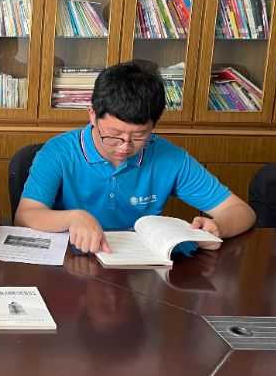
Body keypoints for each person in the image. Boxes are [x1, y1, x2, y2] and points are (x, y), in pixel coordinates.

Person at [15, 62, 256, 254]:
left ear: (154, 125)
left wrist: (218, 226)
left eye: (139, 136)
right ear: (92, 115)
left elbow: (240, 211)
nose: (125, 147)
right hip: (74, 264)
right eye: (113, 135)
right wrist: (73, 217)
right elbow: (26, 216)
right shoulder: (58, 152)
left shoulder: (169, 157)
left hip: (141, 266)